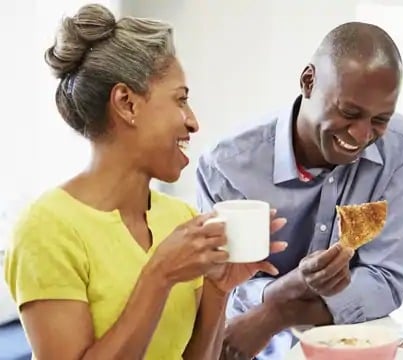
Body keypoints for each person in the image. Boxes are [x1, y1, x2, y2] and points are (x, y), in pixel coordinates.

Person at [2, 4, 286, 359]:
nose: (193, 121)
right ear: (127, 104)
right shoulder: (46, 230)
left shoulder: (180, 219)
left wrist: (218, 289)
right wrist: (159, 275)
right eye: (180, 99)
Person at [196, 21, 403, 359]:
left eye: (380, 120)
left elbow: (387, 280)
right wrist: (284, 289)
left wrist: (277, 312)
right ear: (308, 81)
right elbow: (221, 287)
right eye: (350, 113)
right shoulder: (227, 166)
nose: (363, 136)